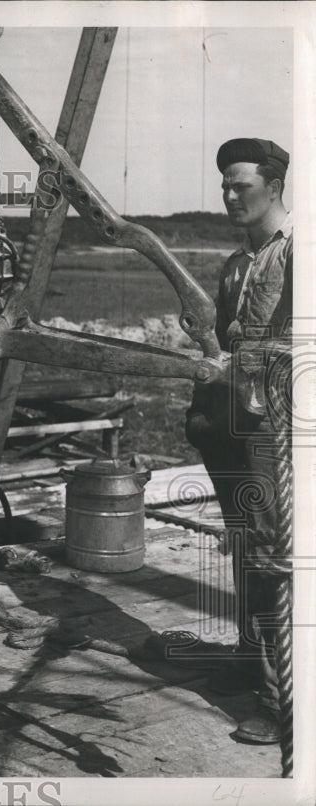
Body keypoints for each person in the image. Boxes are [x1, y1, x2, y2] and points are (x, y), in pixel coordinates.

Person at [185, 137, 292, 744]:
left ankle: (282, 702)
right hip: (232, 429)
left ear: (274, 187)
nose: (229, 196)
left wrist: (245, 355)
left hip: (276, 433)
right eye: (224, 185)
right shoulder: (236, 262)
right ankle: (253, 660)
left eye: (240, 186)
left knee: (276, 558)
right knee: (244, 546)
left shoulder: (298, 254)